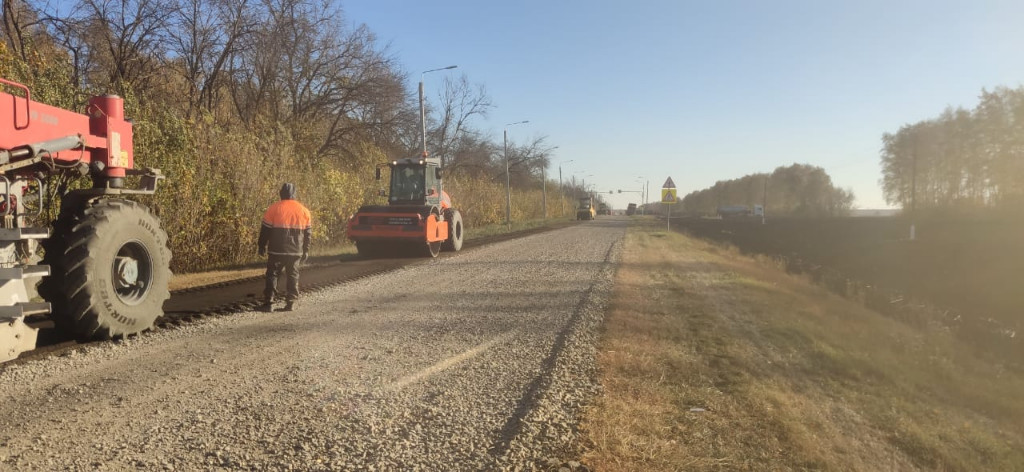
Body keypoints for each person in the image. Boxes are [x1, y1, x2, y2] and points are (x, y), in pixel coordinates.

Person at [257, 183, 312, 312]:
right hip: (295, 250)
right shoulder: (304, 210)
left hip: (276, 249)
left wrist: (261, 245)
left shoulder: (274, 208)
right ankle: (290, 302)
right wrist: (306, 250)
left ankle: (269, 302)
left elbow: (265, 230)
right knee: (292, 275)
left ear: (281, 193)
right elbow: (308, 234)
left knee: (272, 274)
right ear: (294, 194)